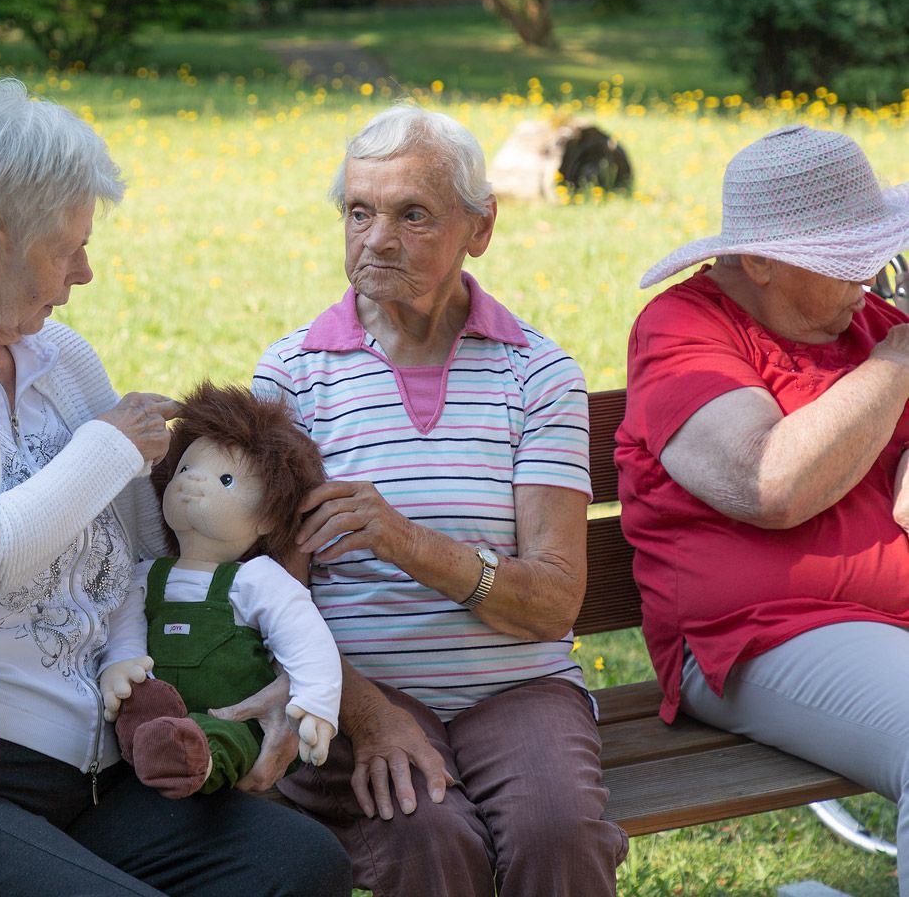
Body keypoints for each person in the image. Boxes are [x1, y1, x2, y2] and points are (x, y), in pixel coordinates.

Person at [0, 77, 352, 897]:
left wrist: (277, 666)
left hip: (93, 780)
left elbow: (158, 546)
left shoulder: (63, 361)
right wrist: (108, 445)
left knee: (302, 865)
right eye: (67, 249)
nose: (84, 273)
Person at [251, 104, 628, 897]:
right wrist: (367, 715)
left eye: (412, 215)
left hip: (519, 685)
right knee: (427, 832)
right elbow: (274, 601)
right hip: (359, 686)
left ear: (478, 228)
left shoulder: (537, 376)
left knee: (557, 833)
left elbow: (553, 602)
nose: (377, 239)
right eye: (360, 212)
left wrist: (405, 541)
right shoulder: (294, 378)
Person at [616, 123, 909, 893]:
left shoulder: (872, 327)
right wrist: (899, 365)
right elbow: (766, 485)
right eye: (847, 258)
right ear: (760, 261)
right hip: (757, 636)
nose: (871, 275)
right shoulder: (683, 330)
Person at [100, 382, 341, 799]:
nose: (191, 482)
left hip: (234, 718)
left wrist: (317, 703)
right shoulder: (147, 575)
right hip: (161, 707)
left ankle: (197, 761)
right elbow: (125, 628)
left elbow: (307, 639)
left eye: (225, 479)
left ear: (268, 517)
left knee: (226, 738)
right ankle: (155, 750)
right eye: (185, 470)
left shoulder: (255, 580)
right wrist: (121, 665)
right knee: (143, 710)